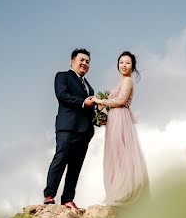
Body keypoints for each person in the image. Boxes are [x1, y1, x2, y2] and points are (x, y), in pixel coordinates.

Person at [43, 48, 98, 209]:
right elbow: (62, 95)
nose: (85, 63)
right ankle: (49, 194)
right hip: (67, 127)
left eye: (87, 62)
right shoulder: (62, 76)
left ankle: (68, 198)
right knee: (60, 158)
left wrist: (99, 120)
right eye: (82, 60)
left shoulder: (90, 88)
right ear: (72, 61)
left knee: (76, 166)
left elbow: (90, 109)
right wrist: (83, 102)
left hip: (85, 131)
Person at [95, 51, 150, 205]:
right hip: (114, 119)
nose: (124, 65)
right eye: (121, 62)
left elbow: (120, 101)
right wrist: (103, 111)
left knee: (122, 154)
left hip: (120, 118)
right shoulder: (121, 82)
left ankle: (125, 192)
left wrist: (101, 101)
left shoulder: (128, 81)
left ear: (132, 67)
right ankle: (118, 190)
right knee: (116, 154)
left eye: (127, 62)